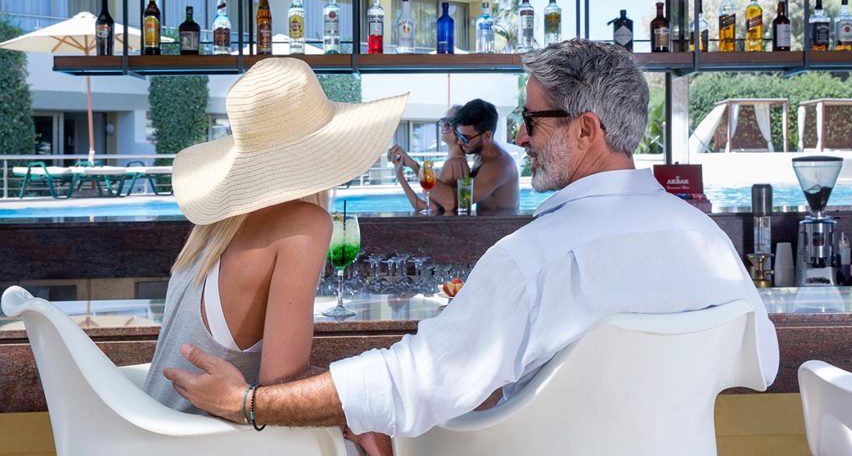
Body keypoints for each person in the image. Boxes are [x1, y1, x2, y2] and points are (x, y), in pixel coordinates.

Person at [164, 40, 779, 443]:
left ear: (587, 129)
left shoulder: (533, 261)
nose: (519, 136)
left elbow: (413, 382)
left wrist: (249, 403)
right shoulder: (706, 240)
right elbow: (763, 363)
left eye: (532, 120)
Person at [143, 57, 406, 451]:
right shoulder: (306, 224)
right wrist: (357, 408)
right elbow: (281, 389)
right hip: (211, 444)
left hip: (147, 435)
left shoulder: (213, 226)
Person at [420, 98, 519, 214]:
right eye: (459, 135)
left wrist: (420, 171)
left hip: (501, 230)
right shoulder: (480, 157)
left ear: (487, 135)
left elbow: (454, 202)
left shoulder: (500, 165)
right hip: (486, 228)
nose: (459, 142)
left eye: (465, 138)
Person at [389, 106, 470, 214]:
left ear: (462, 129)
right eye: (444, 121)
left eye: (450, 122)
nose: (444, 126)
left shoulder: (454, 163)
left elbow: (428, 208)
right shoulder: (455, 162)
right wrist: (411, 165)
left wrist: (400, 176)